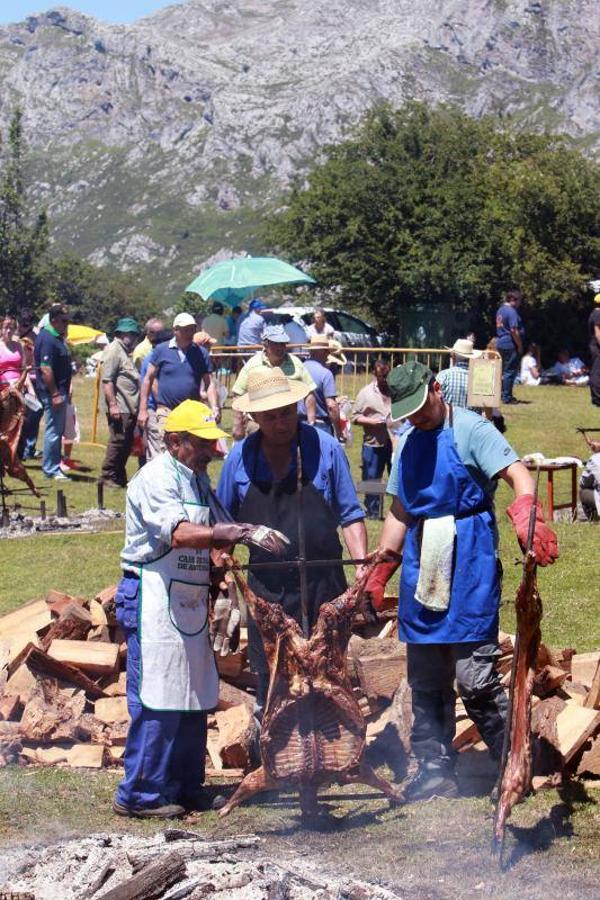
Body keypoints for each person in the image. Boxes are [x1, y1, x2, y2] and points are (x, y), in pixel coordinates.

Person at [365, 361, 558, 801]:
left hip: (469, 559)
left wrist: (527, 515)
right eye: (407, 413)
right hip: (423, 560)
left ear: (436, 388)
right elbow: (400, 510)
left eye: (420, 407)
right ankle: (435, 769)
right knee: (426, 677)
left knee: (474, 678)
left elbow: (518, 474)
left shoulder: (472, 429)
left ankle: (513, 763)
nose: (416, 418)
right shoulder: (408, 443)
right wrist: (381, 569)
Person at [113, 399, 288, 819]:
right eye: (202, 443)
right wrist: (239, 531)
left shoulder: (196, 479)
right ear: (175, 442)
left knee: (192, 693)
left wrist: (223, 555)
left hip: (187, 599)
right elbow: (179, 533)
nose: (211, 450)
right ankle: (140, 794)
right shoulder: (155, 478)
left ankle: (186, 785)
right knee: (157, 695)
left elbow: (211, 532)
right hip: (152, 597)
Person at [217, 367, 368, 714]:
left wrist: (361, 572)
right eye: (270, 417)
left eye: (286, 412)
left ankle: (332, 753)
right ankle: (273, 747)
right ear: (255, 417)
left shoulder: (326, 448)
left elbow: (350, 514)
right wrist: (220, 575)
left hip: (323, 581)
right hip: (266, 588)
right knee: (273, 680)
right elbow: (223, 525)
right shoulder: (239, 458)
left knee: (327, 675)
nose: (281, 423)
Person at [138, 313, 220, 451]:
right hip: (166, 410)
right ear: (175, 330)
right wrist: (142, 409)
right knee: (164, 449)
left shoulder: (201, 353)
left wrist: (214, 407)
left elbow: (209, 383)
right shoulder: (161, 350)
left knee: (188, 451)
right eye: (185, 329)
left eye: (192, 329)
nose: (189, 333)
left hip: (190, 412)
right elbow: (148, 379)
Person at [231, 323, 317, 440]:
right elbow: (237, 395)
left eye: (283, 344)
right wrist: (237, 425)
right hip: (258, 424)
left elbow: (309, 393)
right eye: (276, 343)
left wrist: (311, 422)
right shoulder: (252, 365)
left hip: (288, 422)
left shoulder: (296, 364)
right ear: (265, 344)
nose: (280, 347)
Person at [100, 317, 142, 488]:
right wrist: (113, 405)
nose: (134, 339)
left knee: (125, 443)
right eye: (132, 335)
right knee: (118, 441)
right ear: (124, 333)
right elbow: (107, 380)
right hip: (120, 406)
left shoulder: (123, 351)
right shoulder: (113, 350)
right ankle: (107, 475)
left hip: (128, 406)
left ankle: (118, 475)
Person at [34, 304, 72, 481]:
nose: (67, 324)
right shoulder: (48, 338)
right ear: (54, 320)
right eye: (64, 321)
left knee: (57, 430)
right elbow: (45, 369)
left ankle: (54, 466)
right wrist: (55, 394)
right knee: (54, 431)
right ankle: (50, 468)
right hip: (53, 393)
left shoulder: (57, 337)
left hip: (60, 391)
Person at [352, 358, 393, 519]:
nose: (385, 379)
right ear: (374, 374)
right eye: (382, 376)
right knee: (372, 477)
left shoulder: (395, 391)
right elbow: (355, 417)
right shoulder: (365, 393)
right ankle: (373, 512)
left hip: (393, 442)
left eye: (387, 375)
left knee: (397, 475)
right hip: (373, 442)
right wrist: (372, 421)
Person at [298, 334, 344, 437]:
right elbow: (331, 406)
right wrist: (338, 430)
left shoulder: (298, 369)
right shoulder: (325, 374)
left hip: (298, 423)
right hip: (321, 425)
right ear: (323, 352)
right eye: (327, 351)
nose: (328, 354)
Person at [17, 309, 43, 460]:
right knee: (22, 416)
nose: (22, 327)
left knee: (34, 413)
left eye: (26, 325)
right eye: (21, 324)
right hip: (21, 379)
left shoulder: (35, 337)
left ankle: (29, 447)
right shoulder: (16, 337)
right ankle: (21, 447)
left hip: (34, 378)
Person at [495, 289, 524, 404]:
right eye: (519, 301)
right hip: (510, 343)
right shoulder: (511, 311)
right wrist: (520, 345)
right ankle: (506, 397)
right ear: (513, 300)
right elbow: (513, 330)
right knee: (510, 371)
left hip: (501, 342)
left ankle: (503, 394)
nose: (519, 303)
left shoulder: (500, 310)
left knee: (504, 370)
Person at [436, 338, 481, 408]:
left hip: (448, 418)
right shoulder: (479, 378)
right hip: (473, 418)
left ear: (453, 356)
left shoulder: (443, 376)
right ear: (471, 358)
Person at [0, 316, 25, 387]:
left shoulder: (19, 346)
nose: (8, 331)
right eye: (6, 328)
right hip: (3, 388)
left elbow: (23, 369)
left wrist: (30, 388)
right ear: (1, 329)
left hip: (19, 385)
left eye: (11, 328)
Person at [589, 294, 600, 407]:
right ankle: (597, 397)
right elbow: (598, 333)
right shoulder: (598, 314)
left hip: (594, 345)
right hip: (597, 346)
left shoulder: (594, 313)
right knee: (597, 371)